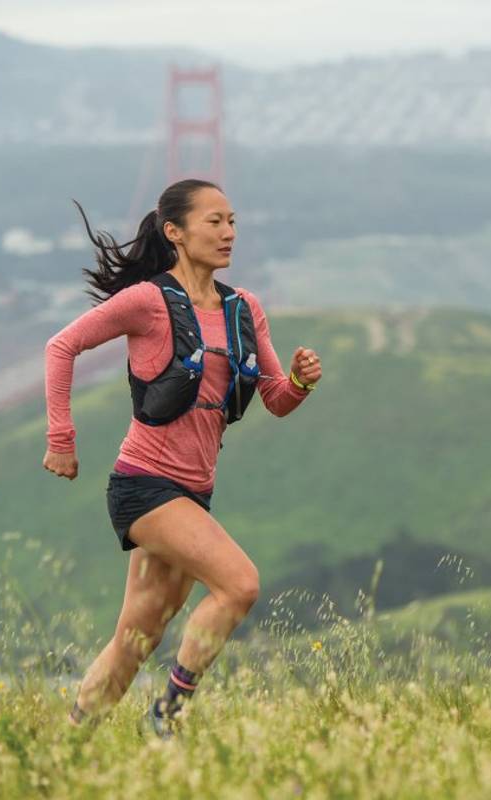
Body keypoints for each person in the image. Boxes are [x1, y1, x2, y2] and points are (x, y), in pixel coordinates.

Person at [42, 178, 322, 739]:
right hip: (144, 485)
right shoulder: (147, 301)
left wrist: (298, 381)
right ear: (175, 232)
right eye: (214, 221)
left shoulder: (244, 309)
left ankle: (67, 743)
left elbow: (274, 399)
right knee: (239, 585)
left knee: (135, 640)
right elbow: (61, 346)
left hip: (193, 492)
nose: (228, 232)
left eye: (232, 221)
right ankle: (167, 715)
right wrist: (62, 437)